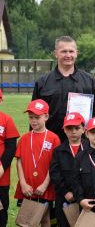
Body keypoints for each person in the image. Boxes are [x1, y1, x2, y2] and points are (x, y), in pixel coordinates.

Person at [32, 36, 95, 142]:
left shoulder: (89, 81)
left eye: (71, 51)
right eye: (63, 51)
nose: (68, 55)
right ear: (56, 53)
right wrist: (34, 138)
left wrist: (90, 130)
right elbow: (34, 114)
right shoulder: (43, 82)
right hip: (49, 141)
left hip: (82, 142)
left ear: (76, 53)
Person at [15, 99, 61, 227]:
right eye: (31, 117)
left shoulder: (53, 138)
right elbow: (19, 162)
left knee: (44, 218)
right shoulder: (24, 139)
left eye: (37, 117)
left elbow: (55, 164)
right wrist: (23, 183)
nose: (33, 120)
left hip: (44, 187)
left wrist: (45, 184)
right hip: (27, 187)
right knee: (26, 220)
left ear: (46, 117)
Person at [50, 112, 88, 227]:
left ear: (83, 129)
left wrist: (82, 194)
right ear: (64, 130)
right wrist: (65, 192)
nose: (73, 131)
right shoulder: (59, 151)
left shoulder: (89, 148)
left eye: (77, 128)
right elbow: (55, 173)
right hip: (65, 197)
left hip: (86, 197)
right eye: (69, 128)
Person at [0, 89, 20, 226]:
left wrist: (1, 166)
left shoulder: (6, 119)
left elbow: (11, 147)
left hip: (1, 174)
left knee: (2, 208)